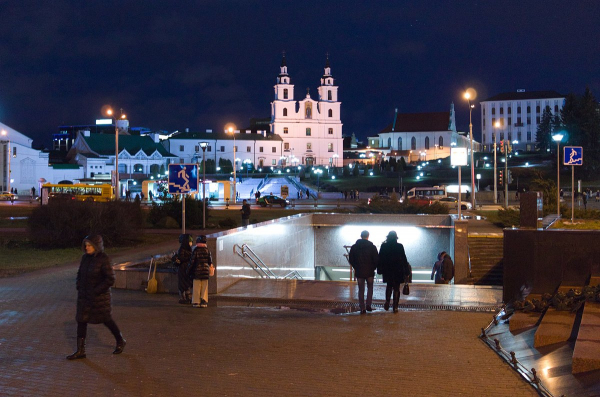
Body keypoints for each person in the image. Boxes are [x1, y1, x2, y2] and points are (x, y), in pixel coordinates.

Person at [66, 235, 125, 360]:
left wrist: (96, 291)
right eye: (86, 245)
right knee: (81, 321)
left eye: (89, 245)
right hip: (84, 296)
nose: (86, 247)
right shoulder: (85, 258)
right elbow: (79, 274)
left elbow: (110, 279)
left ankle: (120, 340)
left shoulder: (104, 259)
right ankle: (80, 350)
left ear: (96, 246)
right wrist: (79, 285)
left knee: (106, 320)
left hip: (99, 298)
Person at [348, 230, 379, 314]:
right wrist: (373, 267)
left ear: (361, 236)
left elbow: (351, 259)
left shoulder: (354, 247)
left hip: (359, 271)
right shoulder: (372, 247)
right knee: (370, 288)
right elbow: (376, 259)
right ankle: (368, 304)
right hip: (369, 272)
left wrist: (356, 267)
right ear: (368, 236)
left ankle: (362, 307)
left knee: (361, 289)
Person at [378, 231, 409, 313]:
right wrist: (406, 271)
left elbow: (380, 258)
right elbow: (404, 258)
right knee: (396, 288)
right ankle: (395, 306)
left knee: (389, 286)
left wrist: (379, 269)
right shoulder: (399, 246)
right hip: (398, 270)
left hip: (387, 270)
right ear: (396, 237)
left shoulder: (384, 246)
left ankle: (387, 301)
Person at [189, 235, 213, 308]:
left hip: (197, 271)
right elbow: (210, 261)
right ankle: (204, 301)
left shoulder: (195, 250)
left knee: (197, 286)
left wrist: (189, 270)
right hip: (205, 271)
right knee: (204, 286)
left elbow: (192, 261)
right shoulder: (207, 250)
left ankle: (196, 301)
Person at [176, 234, 193, 304]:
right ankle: (184, 298)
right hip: (183, 269)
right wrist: (189, 258)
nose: (191, 243)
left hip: (186, 269)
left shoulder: (187, 248)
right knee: (184, 284)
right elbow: (181, 258)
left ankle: (188, 297)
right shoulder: (182, 249)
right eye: (190, 241)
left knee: (187, 284)